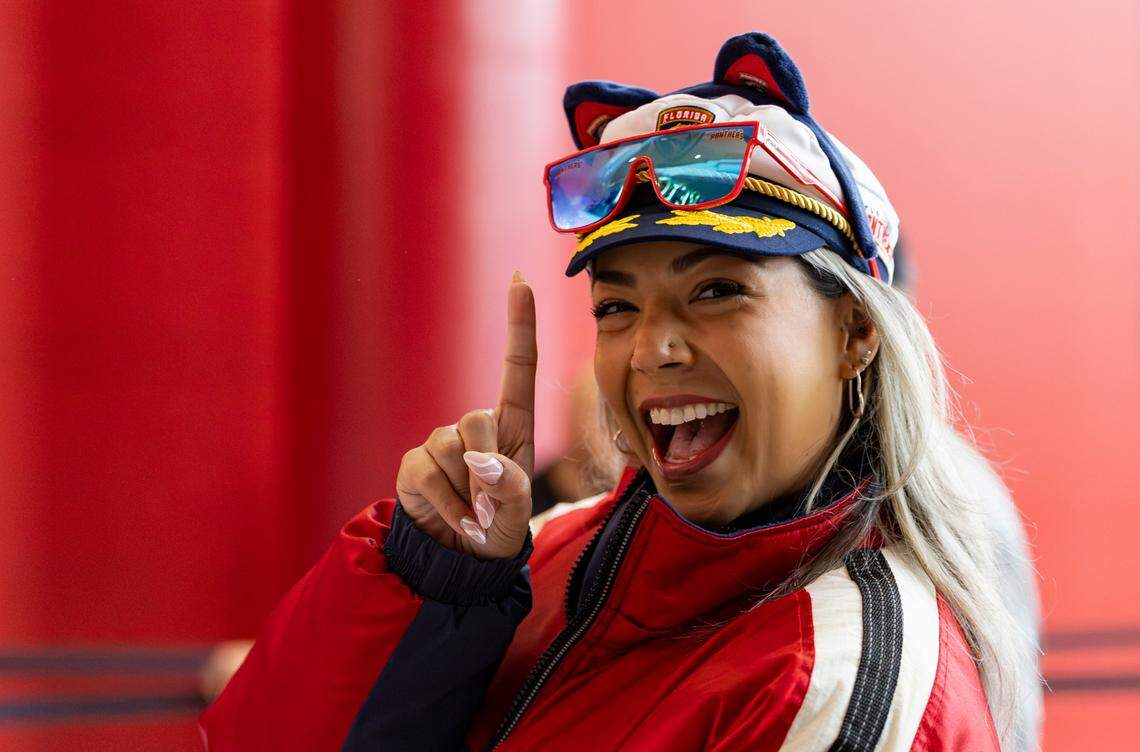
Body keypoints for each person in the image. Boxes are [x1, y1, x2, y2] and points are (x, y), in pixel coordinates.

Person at [200, 32, 1036, 750]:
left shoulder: (847, 678)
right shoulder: (545, 550)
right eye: (615, 307)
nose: (652, 348)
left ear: (855, 333)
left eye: (717, 291)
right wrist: (434, 589)